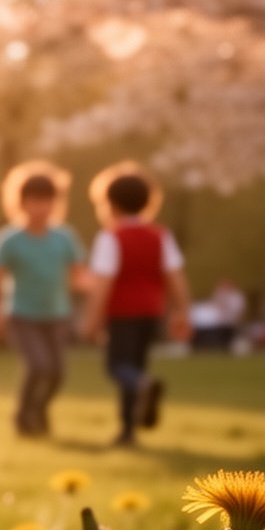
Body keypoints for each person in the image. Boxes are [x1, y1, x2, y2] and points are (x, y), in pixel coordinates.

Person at [0, 161, 89, 437]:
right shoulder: (9, 239)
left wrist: (99, 295)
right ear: (21, 203)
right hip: (22, 315)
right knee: (39, 365)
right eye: (35, 201)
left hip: (57, 315)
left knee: (57, 373)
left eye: (48, 201)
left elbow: (80, 276)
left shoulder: (65, 238)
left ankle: (37, 410)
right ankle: (23, 416)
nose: (42, 208)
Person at [83, 163, 190, 448]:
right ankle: (128, 431)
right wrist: (182, 313)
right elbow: (176, 277)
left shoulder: (111, 237)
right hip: (151, 313)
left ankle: (139, 398)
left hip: (122, 314)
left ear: (109, 204)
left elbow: (102, 283)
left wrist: (91, 321)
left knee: (117, 367)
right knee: (136, 368)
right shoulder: (160, 235)